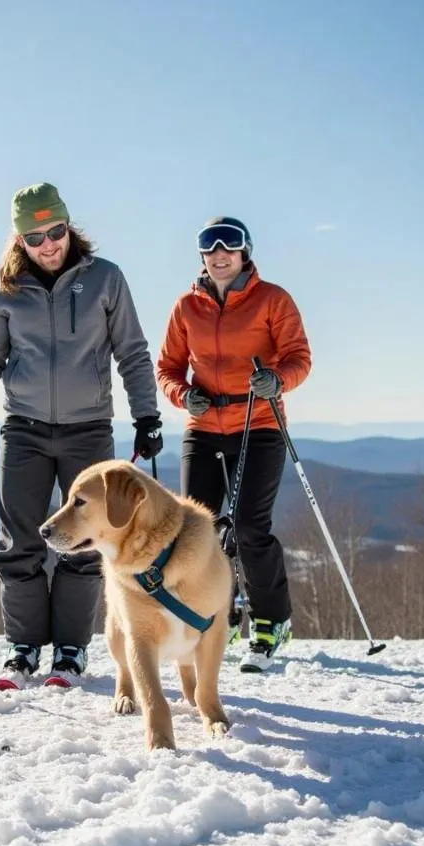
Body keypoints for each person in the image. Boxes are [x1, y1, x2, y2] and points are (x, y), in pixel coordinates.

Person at [0, 182, 163, 690]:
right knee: (20, 542)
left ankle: (71, 651)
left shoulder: (105, 279)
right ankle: (23, 648)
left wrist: (147, 417)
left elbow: (133, 353)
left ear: (69, 227)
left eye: (56, 232)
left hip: (88, 431)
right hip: (24, 429)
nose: (49, 244)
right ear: (19, 240)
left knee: (85, 539)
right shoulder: (5, 289)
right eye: (36, 237)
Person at [156, 216, 311, 672]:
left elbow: (299, 357)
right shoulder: (186, 307)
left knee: (247, 525)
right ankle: (207, 619)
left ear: (245, 251)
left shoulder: (272, 299)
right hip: (204, 428)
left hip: (259, 422)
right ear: (201, 255)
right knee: (195, 532)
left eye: (230, 244)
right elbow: (167, 368)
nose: (220, 252)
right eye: (209, 244)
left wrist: (276, 379)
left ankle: (271, 622)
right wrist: (185, 395)